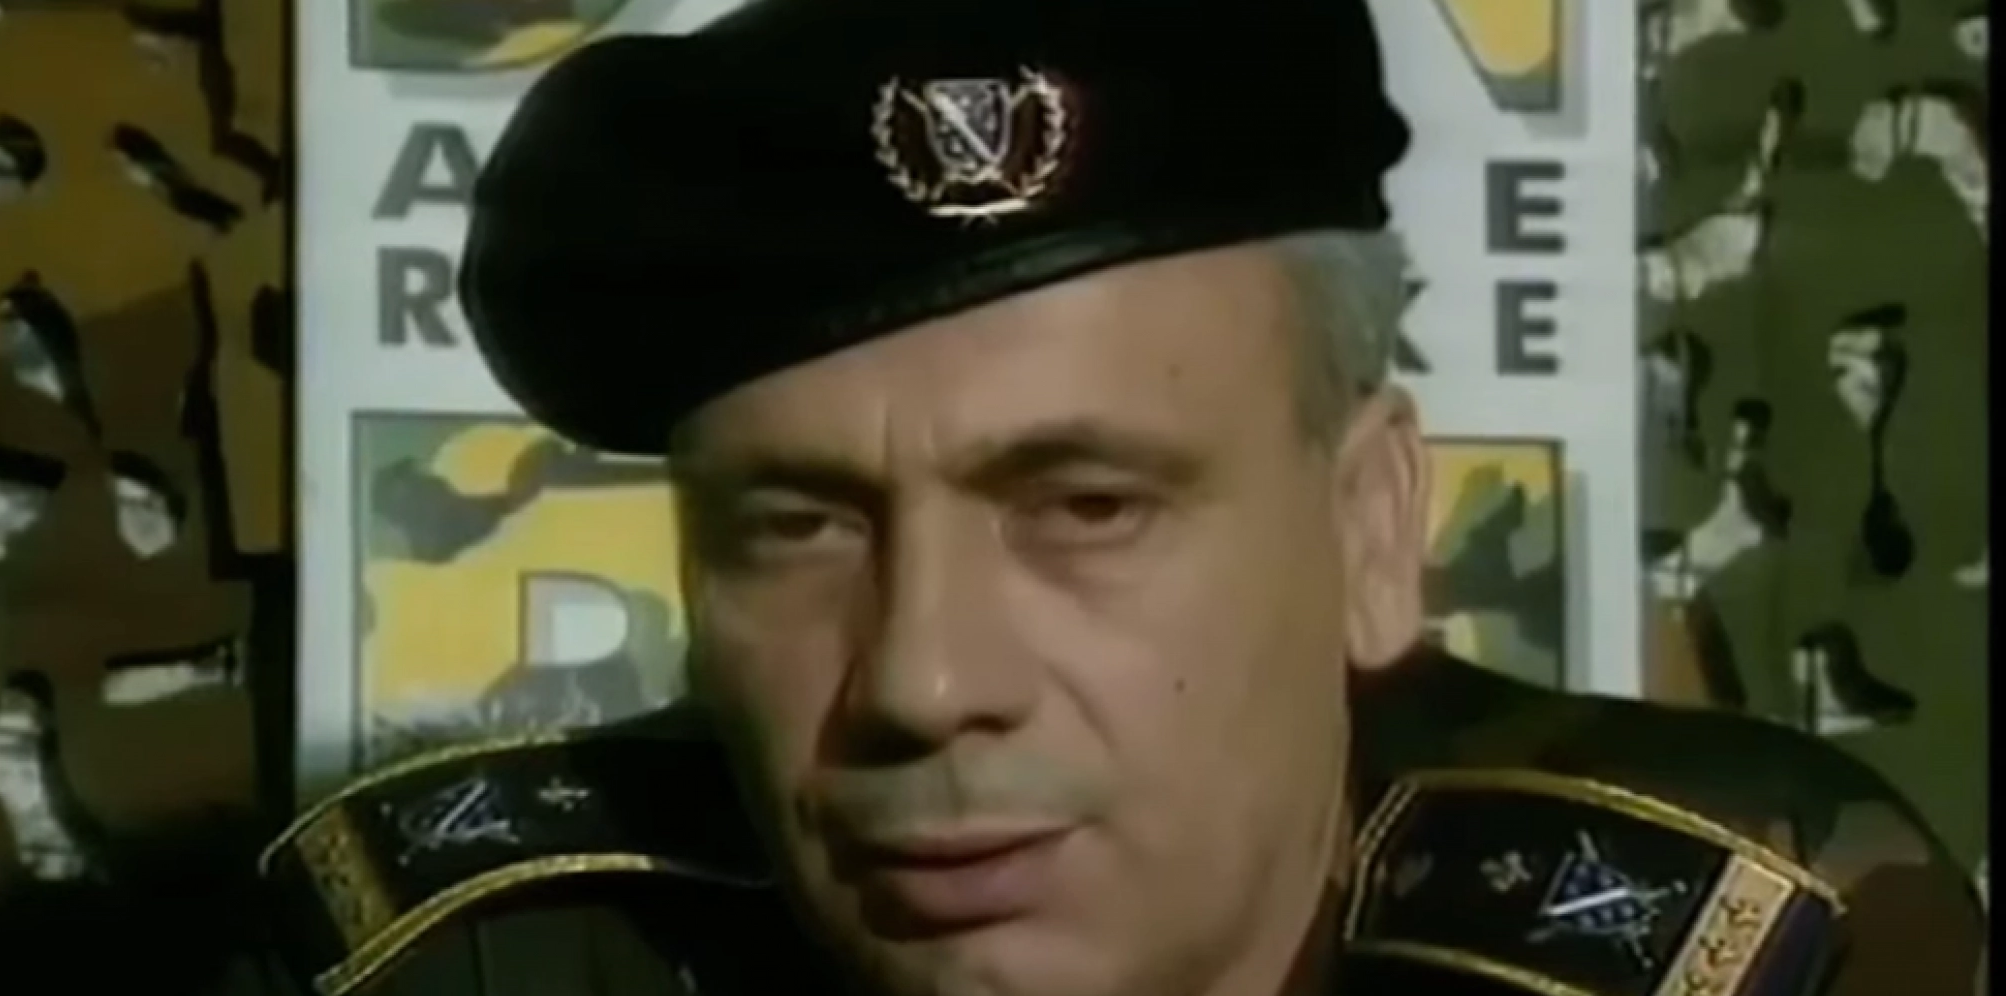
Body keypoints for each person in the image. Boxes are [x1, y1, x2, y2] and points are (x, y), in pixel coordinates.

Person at [256, 0, 1986, 994]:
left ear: (1372, 527)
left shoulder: (1747, 952)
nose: (925, 679)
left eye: (1087, 505)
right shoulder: (480, 965)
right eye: (797, 524)